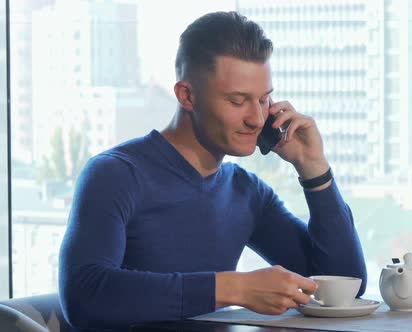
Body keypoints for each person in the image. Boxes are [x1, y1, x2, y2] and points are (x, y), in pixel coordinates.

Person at [59, 11, 367, 330]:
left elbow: (345, 288)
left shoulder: (246, 192)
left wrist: (314, 169)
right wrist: (235, 288)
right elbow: (85, 297)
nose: (257, 118)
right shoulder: (115, 175)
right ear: (187, 95)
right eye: (238, 101)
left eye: (263, 100)